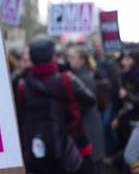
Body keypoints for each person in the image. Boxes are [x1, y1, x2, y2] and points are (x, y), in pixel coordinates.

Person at [15, 39, 96, 174]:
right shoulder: (66, 80)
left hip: (38, 148)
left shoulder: (23, 85)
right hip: (71, 146)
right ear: (52, 57)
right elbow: (90, 101)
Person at [67, 46, 106, 170]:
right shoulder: (81, 75)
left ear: (82, 60)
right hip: (90, 123)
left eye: (72, 58)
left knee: (93, 163)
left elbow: (85, 104)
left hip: (89, 125)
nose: (69, 61)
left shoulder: (83, 78)